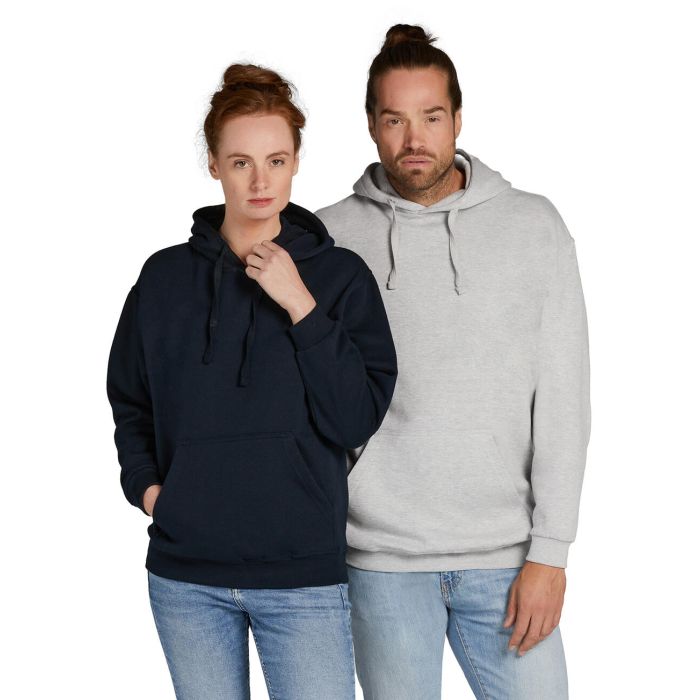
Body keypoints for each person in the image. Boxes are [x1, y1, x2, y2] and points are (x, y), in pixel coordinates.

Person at [315, 24, 591, 700]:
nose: (414, 138)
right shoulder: (327, 237)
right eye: (395, 120)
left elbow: (563, 398)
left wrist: (551, 554)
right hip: (378, 563)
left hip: (508, 561)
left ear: (458, 119)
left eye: (431, 117)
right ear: (371, 126)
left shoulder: (533, 227)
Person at [106, 63, 397, 700]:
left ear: (296, 163)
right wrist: (150, 491)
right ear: (214, 165)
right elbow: (130, 399)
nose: (260, 181)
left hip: (302, 577)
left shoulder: (339, 278)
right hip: (186, 578)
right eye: (241, 162)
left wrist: (300, 304)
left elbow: (355, 417)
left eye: (276, 160)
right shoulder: (163, 280)